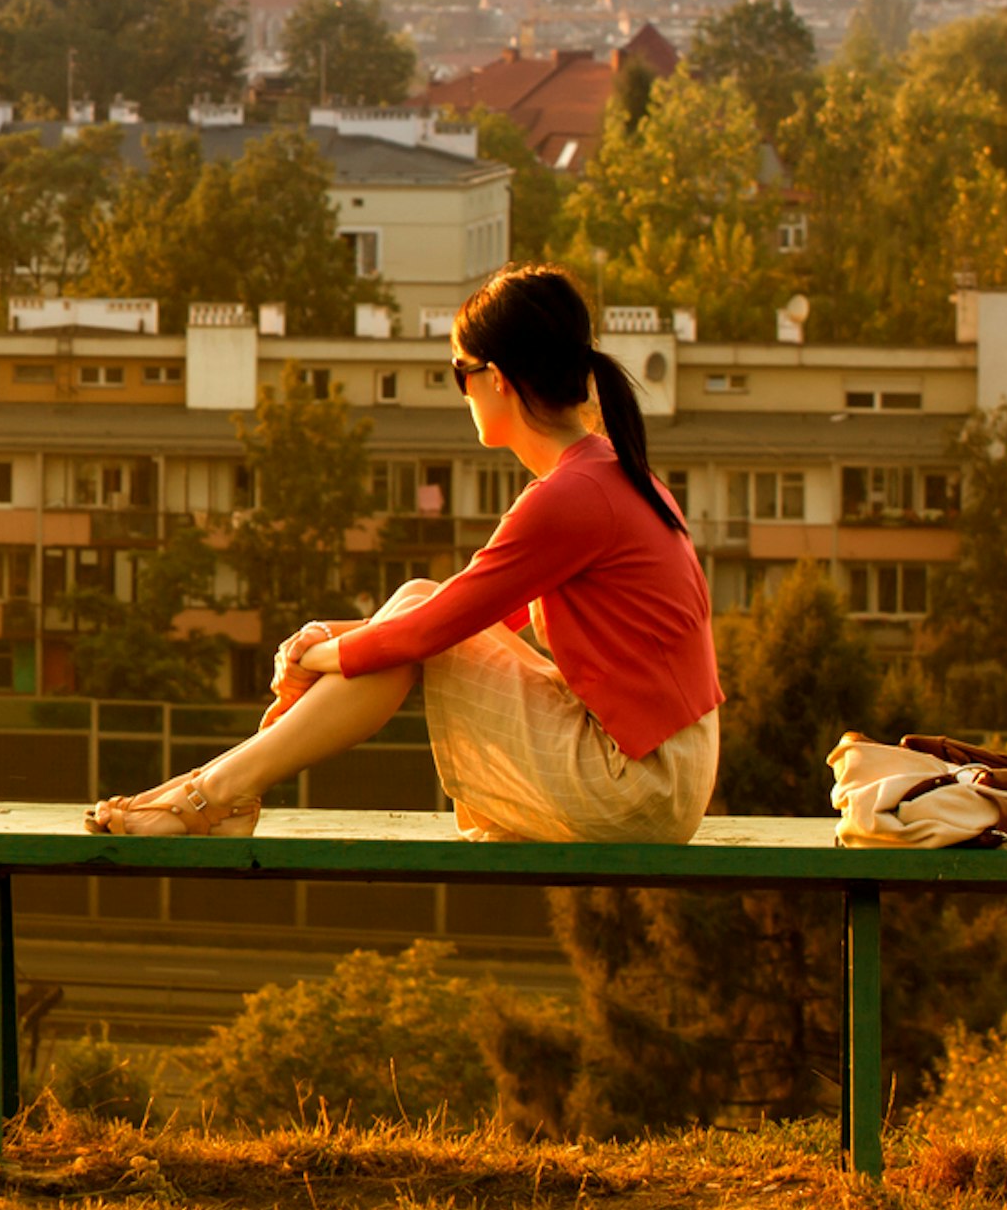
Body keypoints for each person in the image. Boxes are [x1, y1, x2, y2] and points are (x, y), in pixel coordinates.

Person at [84, 262, 724, 842]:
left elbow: (434, 634)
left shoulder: (570, 496)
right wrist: (341, 638)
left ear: (495, 379)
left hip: (637, 789)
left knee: (419, 619)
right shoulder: (604, 473)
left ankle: (212, 796)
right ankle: (218, 790)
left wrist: (316, 652)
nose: (461, 391)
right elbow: (471, 615)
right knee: (419, 600)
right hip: (665, 773)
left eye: (458, 374)